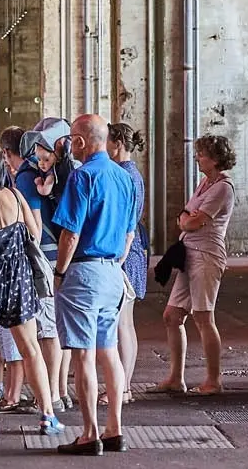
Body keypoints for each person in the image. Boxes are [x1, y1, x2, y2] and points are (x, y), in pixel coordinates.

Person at [0, 147, 65, 441]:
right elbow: (35, 233)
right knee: (31, 349)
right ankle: (48, 415)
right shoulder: (15, 196)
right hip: (18, 279)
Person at [49, 114, 135, 454]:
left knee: (83, 355)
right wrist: (113, 266)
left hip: (84, 272)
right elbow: (129, 235)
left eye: (72, 138)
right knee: (108, 352)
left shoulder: (82, 176)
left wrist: (59, 273)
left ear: (81, 141)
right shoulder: (124, 177)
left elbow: (70, 234)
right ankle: (115, 429)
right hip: (113, 271)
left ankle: (89, 433)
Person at [158, 134, 237, 395]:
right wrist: (186, 219)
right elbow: (185, 215)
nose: (197, 158)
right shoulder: (205, 183)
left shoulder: (223, 188)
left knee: (203, 317)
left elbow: (192, 221)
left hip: (207, 255)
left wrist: (186, 220)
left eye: (202, 155)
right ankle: (175, 378)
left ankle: (213, 380)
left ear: (215, 159)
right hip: (189, 253)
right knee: (172, 316)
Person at [15, 118, 71, 417]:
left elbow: (34, 228)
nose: (40, 156)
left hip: (44, 259)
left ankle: (50, 395)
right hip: (60, 255)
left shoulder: (27, 178)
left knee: (47, 329)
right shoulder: (57, 173)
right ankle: (58, 390)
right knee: (56, 327)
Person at [108, 122, 150, 398]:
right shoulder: (133, 173)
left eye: (108, 141)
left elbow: (126, 223)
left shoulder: (124, 175)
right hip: (132, 252)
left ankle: (122, 387)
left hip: (125, 253)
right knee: (126, 323)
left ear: (118, 143)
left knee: (121, 324)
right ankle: (124, 385)